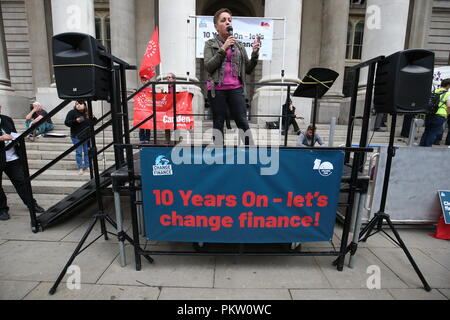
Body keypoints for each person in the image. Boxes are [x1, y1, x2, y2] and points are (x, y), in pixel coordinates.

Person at [204, 8, 260, 146]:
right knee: (218, 121)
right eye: (223, 20)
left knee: (242, 120)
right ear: (216, 26)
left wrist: (254, 54)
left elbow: (248, 69)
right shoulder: (210, 44)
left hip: (236, 88)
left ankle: (250, 151)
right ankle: (219, 154)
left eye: (229, 20)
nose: (227, 22)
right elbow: (209, 67)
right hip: (217, 89)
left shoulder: (239, 45)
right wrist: (223, 48)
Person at [0, 105, 45, 220]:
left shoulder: (6, 119)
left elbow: (13, 133)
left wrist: (16, 137)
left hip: (12, 157)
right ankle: (2, 209)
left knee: (22, 182)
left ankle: (31, 204)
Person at [419, 78, 450, 147]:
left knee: (427, 131)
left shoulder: (434, 91)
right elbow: (449, 105)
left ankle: (421, 147)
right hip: (440, 115)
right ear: (448, 85)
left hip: (430, 113)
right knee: (433, 132)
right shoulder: (448, 93)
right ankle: (427, 148)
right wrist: (448, 113)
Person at [64, 100, 92, 175]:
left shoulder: (87, 113)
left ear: (85, 105)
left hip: (86, 135)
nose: (78, 105)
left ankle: (87, 166)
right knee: (79, 152)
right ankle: (80, 168)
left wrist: (94, 118)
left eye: (80, 103)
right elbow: (67, 123)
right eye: (76, 104)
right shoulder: (72, 112)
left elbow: (93, 122)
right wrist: (76, 121)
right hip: (76, 136)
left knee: (87, 151)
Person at [138, 75, 152, 144]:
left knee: (148, 124)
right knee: (141, 124)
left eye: (145, 80)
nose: (144, 81)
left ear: (148, 81)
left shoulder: (151, 90)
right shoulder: (139, 89)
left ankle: (147, 138)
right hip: (141, 109)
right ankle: (142, 138)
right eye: (143, 80)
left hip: (148, 109)